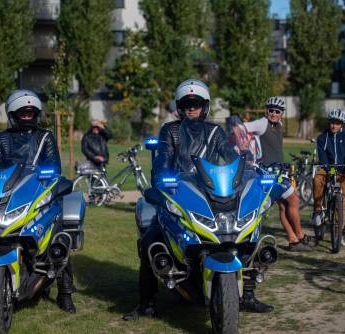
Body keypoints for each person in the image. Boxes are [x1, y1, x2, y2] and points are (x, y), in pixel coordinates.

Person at [123, 79, 273, 321]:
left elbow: (229, 157)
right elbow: (162, 162)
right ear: (180, 106)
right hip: (180, 193)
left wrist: (247, 172)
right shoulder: (170, 131)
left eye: (196, 104)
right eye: (186, 104)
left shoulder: (215, 131)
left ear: (205, 106)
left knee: (247, 232)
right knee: (151, 239)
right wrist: (162, 181)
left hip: (212, 194)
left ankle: (247, 295)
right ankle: (146, 302)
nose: (191, 108)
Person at [0, 90, 76, 313]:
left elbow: (54, 167)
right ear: (12, 114)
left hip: (38, 194)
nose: (27, 116)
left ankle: (65, 293)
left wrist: (46, 176)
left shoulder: (45, 136)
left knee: (59, 236)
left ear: (37, 114)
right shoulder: (2, 138)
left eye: (31, 113)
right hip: (8, 196)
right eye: (22, 113)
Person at [238, 96, 313, 252]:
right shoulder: (262, 123)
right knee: (293, 199)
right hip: (267, 174)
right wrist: (244, 147)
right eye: (270, 110)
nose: (273, 113)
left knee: (285, 207)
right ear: (267, 111)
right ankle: (300, 236)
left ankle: (293, 241)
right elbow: (240, 128)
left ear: (281, 114)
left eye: (277, 111)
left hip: (277, 172)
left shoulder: (278, 124)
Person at [312, 109, 345, 245]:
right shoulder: (323, 137)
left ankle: (339, 232)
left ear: (342, 124)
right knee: (317, 178)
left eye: (337, 123)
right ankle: (318, 209)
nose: (333, 126)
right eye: (331, 122)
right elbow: (322, 156)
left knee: (342, 199)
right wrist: (329, 168)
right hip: (329, 167)